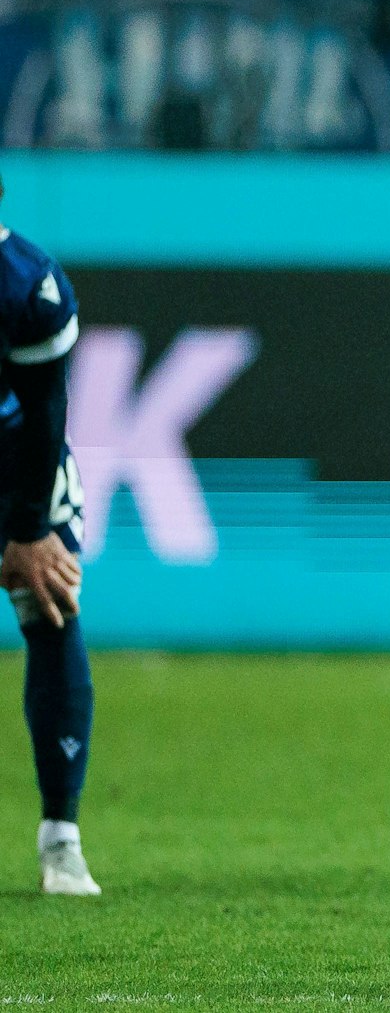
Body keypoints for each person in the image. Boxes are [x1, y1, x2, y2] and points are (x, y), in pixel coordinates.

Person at [0, 171, 96, 896]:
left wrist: (28, 529)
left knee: (51, 596)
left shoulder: (30, 292)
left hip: (11, 457)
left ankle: (60, 836)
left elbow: (41, 422)